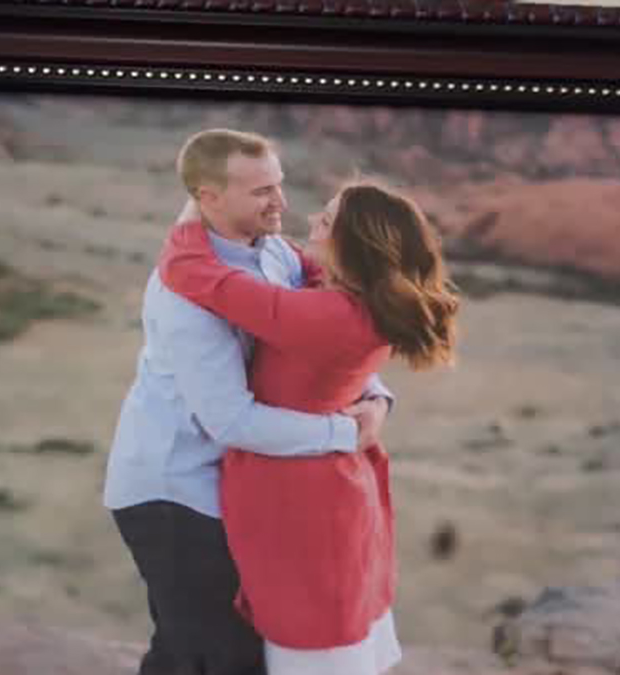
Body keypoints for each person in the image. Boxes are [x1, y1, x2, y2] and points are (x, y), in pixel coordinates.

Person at [103, 129, 396, 675]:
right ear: (208, 199)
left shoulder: (278, 254)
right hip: (177, 489)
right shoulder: (184, 292)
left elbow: (344, 326)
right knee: (218, 653)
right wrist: (345, 436)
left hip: (236, 487)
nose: (281, 201)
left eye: (279, 185)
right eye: (261, 191)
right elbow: (230, 421)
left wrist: (377, 399)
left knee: (191, 649)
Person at [156, 180, 460, 675]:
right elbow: (300, 261)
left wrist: (199, 209)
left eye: (325, 223)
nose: (310, 227)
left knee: (313, 644)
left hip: (302, 505)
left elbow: (191, 272)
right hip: (331, 492)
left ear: (352, 247)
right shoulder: (362, 301)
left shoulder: (325, 315)